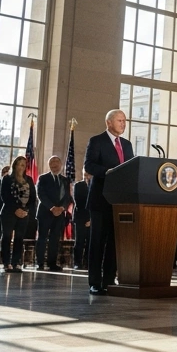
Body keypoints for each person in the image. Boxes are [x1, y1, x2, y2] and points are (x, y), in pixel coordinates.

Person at [83, 110, 132, 295]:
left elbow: (130, 167)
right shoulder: (97, 141)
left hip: (120, 202)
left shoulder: (127, 145)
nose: (123, 123)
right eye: (120, 120)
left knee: (114, 243)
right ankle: (95, 282)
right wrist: (110, 171)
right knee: (97, 242)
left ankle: (109, 280)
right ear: (109, 122)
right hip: (100, 200)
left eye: (125, 121)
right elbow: (89, 165)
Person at [0, 155, 34, 273]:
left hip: (24, 213)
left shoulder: (29, 180)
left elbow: (33, 198)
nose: (21, 167)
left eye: (23, 165)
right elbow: (5, 197)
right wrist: (15, 209)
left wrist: (25, 210)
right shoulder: (7, 179)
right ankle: (6, 263)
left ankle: (16, 262)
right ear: (15, 165)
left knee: (19, 238)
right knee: (7, 237)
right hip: (9, 212)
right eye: (19, 164)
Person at [36, 156, 71, 271]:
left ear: (61, 165)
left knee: (55, 239)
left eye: (56, 162)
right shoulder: (43, 178)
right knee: (42, 238)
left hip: (59, 214)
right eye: (51, 162)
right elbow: (41, 195)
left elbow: (67, 197)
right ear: (49, 165)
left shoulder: (65, 180)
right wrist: (52, 207)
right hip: (45, 212)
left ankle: (52, 263)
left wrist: (62, 208)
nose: (54, 164)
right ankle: (40, 263)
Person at [72, 170, 91, 269]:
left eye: (88, 174)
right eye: (85, 174)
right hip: (80, 218)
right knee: (79, 242)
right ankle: (77, 263)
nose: (86, 176)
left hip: (92, 219)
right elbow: (79, 202)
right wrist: (86, 219)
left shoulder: (95, 186)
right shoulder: (78, 185)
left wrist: (91, 219)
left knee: (90, 242)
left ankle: (87, 263)